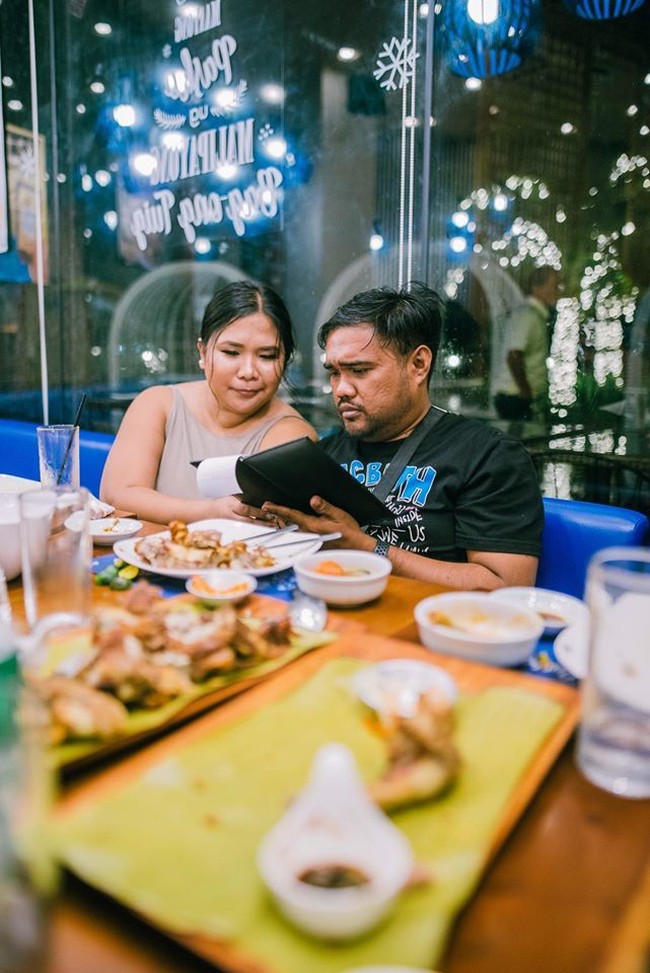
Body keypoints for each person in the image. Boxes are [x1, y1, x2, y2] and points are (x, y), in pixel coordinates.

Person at [253, 283, 543, 591]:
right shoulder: (322, 456)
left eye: (360, 371)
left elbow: (506, 587)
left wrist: (366, 549)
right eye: (335, 372)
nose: (341, 389)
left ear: (418, 365)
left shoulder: (487, 456)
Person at [100, 280, 317, 524]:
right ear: (203, 353)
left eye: (267, 356)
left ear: (285, 360)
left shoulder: (292, 437)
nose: (248, 371)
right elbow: (117, 496)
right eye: (231, 352)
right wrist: (209, 512)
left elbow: (267, 529)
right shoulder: (157, 405)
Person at [493, 265, 561, 421]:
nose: (558, 291)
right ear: (537, 288)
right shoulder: (527, 315)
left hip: (517, 396)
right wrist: (526, 392)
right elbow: (514, 355)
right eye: (553, 286)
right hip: (515, 397)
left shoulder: (534, 315)